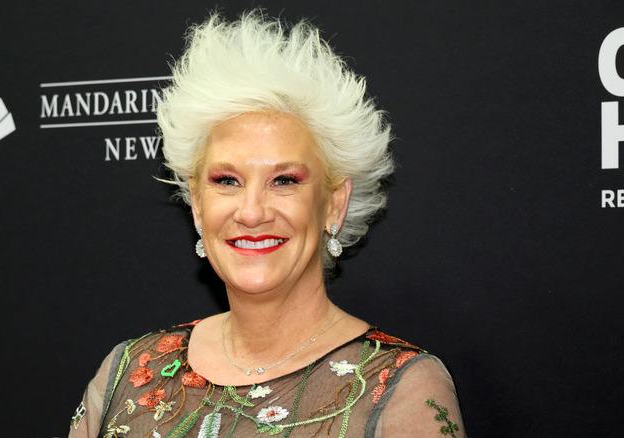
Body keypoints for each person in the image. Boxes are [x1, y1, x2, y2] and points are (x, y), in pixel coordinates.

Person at [69, 11, 465, 438]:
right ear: (197, 204)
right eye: (226, 181)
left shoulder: (404, 388)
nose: (252, 212)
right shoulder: (126, 372)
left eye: (284, 181)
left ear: (334, 203)